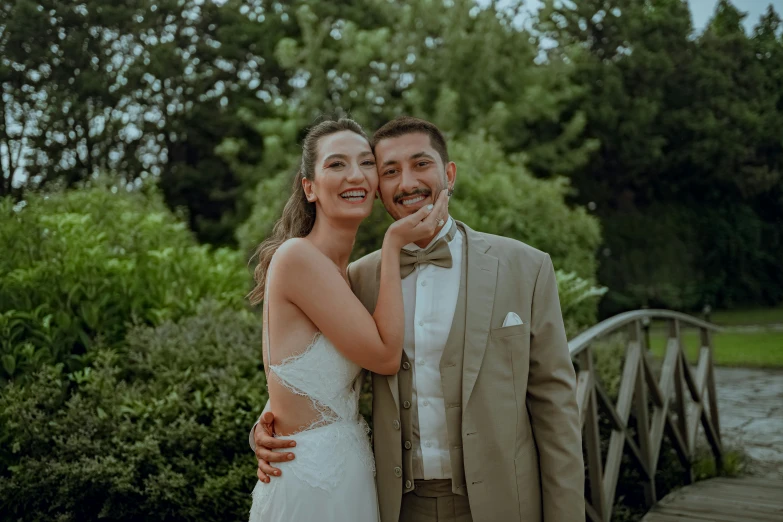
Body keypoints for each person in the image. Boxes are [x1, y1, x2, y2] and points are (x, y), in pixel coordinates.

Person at [251, 116, 585, 522]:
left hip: (503, 503)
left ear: (449, 173)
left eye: (421, 164)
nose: (406, 182)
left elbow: (556, 407)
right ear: (379, 189)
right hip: (393, 504)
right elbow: (306, 362)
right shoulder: (359, 278)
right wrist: (272, 424)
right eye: (390, 170)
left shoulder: (525, 267)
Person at [245, 117, 450, 522]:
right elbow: (386, 357)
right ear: (309, 187)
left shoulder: (350, 276)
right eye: (336, 165)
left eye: (366, 163)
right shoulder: (297, 257)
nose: (354, 175)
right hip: (312, 481)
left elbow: (302, 375)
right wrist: (392, 244)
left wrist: (266, 422)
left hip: (353, 474)